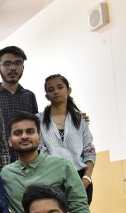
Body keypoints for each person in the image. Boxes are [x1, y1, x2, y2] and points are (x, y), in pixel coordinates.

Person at [1, 111, 90, 213]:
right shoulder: (6, 174)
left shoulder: (62, 165)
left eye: (30, 131)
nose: (24, 136)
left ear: (39, 138)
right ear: (10, 141)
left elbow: (80, 206)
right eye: (18, 133)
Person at [39, 74, 96, 203]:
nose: (56, 91)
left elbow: (89, 151)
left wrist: (86, 179)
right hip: (52, 180)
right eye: (51, 90)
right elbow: (41, 151)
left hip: (81, 178)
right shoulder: (39, 120)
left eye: (60, 87)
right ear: (47, 96)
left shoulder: (80, 119)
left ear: (69, 90)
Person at [0, 45, 39, 162]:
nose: (13, 68)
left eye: (18, 63)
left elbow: (35, 127)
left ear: (23, 68)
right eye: (7, 64)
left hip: (27, 160)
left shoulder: (29, 96)